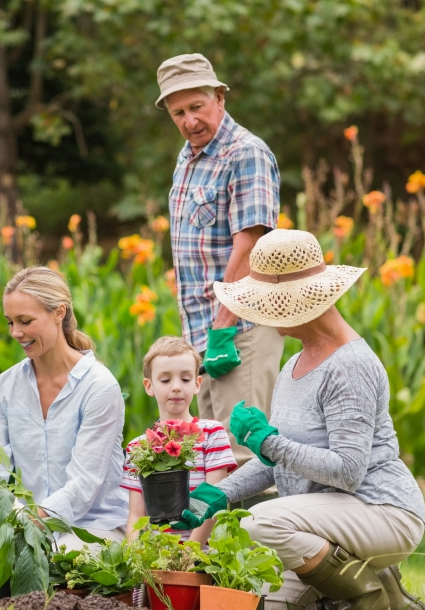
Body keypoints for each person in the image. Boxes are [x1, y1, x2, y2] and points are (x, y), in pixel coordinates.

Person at [173, 229, 425, 610]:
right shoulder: (294, 365)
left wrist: (270, 442)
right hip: (328, 521)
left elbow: (348, 470)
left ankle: (368, 596)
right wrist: (219, 495)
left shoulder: (350, 366)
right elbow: (277, 461)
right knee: (270, 609)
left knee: (259, 522)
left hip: (381, 509)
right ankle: (380, 584)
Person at [156, 52, 284, 464]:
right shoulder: (187, 157)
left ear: (220, 98)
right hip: (201, 335)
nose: (189, 121)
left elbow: (250, 243)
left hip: (239, 330)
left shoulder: (245, 153)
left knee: (244, 453)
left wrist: (223, 329)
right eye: (178, 112)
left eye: (197, 107)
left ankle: (268, 531)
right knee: (215, 458)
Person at [0, 266, 128, 549]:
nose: (16, 332)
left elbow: (83, 486)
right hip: (30, 525)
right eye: (10, 322)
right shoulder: (4, 387)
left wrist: (25, 520)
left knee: (64, 558)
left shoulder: (99, 386)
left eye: (25, 321)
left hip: (92, 526)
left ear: (59, 313)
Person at [121, 336, 236, 544]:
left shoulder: (211, 433)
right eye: (165, 380)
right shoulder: (138, 447)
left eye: (185, 379)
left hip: (205, 553)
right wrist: (133, 558)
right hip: (158, 553)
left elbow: (214, 499)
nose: (176, 387)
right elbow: (136, 517)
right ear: (149, 386)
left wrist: (191, 551)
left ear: (197, 383)